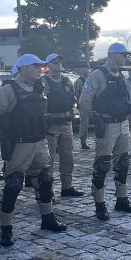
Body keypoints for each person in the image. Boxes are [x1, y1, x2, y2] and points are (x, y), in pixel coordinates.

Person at [0, 54, 67, 246]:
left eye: (40, 67)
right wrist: (6, 139)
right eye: (35, 67)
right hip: (19, 144)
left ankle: (47, 218)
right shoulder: (8, 89)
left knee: (45, 180)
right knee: (13, 184)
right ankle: (6, 228)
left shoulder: (39, 88)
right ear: (23, 68)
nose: (40, 70)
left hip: (39, 142)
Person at [78, 43, 131, 220]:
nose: (125, 58)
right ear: (113, 55)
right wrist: (96, 117)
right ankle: (100, 204)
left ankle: (121, 199)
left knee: (123, 163)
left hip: (122, 123)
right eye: (123, 55)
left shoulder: (121, 75)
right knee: (102, 165)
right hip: (106, 125)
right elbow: (84, 101)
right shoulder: (97, 74)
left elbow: (127, 98)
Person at [42, 53, 85, 198]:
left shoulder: (67, 81)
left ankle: (67, 186)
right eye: (54, 62)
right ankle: (48, 190)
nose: (58, 64)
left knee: (68, 157)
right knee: (49, 160)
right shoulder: (43, 82)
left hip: (66, 122)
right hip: (51, 124)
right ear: (48, 65)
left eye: (60, 61)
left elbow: (72, 98)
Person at [71, 62, 92, 150]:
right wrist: (78, 105)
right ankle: (83, 141)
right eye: (84, 68)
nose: (86, 70)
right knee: (84, 124)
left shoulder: (91, 79)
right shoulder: (78, 81)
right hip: (84, 105)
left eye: (87, 68)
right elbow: (75, 94)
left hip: (93, 104)